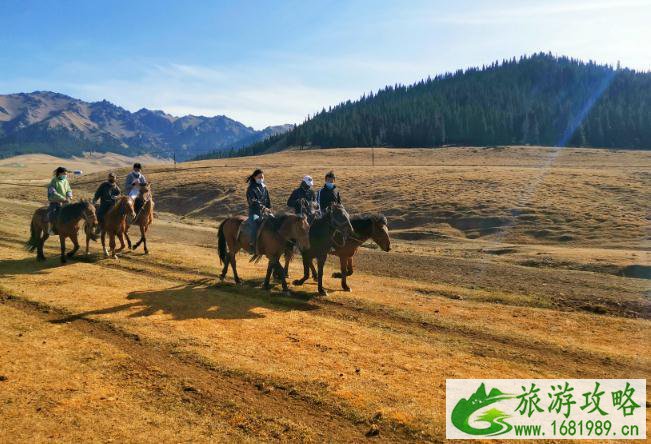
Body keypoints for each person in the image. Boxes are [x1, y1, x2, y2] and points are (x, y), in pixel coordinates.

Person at [245, 168, 271, 254]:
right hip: (254, 213)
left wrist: (269, 209)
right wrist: (263, 208)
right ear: (255, 177)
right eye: (259, 177)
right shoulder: (251, 188)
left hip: (265, 212)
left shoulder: (264, 187)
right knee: (255, 225)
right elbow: (253, 201)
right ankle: (252, 245)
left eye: (262, 177)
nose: (261, 178)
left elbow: (267, 199)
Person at [47, 166, 73, 233]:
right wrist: (62, 198)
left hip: (65, 200)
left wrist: (69, 196)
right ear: (59, 173)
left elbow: (68, 189)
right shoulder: (54, 181)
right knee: (52, 213)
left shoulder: (65, 180)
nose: (65, 175)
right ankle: (51, 228)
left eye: (66, 174)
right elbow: (53, 192)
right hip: (55, 200)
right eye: (64, 174)